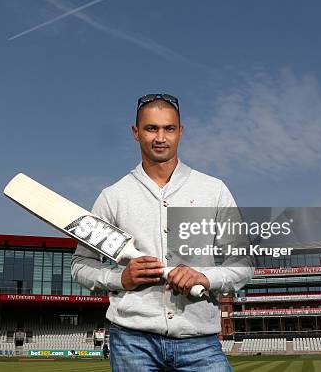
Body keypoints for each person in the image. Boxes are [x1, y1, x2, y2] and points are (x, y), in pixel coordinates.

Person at [71, 93, 254, 371]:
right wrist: (121, 278)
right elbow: (81, 265)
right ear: (135, 132)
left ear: (180, 132)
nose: (160, 137)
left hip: (199, 338)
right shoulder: (113, 197)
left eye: (168, 128)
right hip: (133, 341)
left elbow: (242, 264)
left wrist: (205, 277)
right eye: (151, 128)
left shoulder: (213, 190)